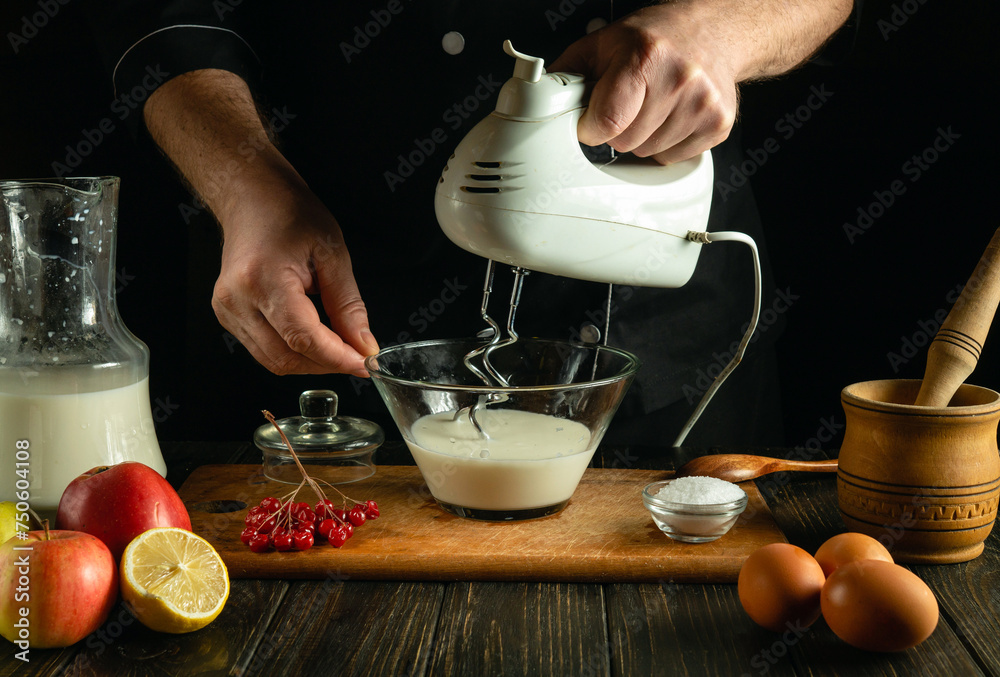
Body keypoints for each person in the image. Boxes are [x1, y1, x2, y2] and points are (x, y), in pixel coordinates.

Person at [104, 1, 857, 446]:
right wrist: (246, 184)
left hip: (674, 367)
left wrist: (715, 30)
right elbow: (167, 16)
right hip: (348, 333)